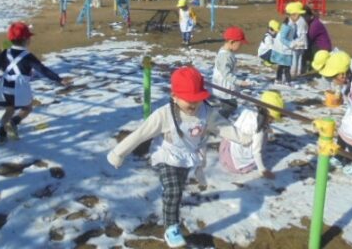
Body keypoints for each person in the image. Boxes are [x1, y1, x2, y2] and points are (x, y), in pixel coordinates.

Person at [107, 66, 252, 248]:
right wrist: (117, 153)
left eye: (197, 100)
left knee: (177, 189)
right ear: (174, 95)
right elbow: (140, 134)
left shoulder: (206, 112)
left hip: (189, 156)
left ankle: (170, 199)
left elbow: (224, 127)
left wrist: (244, 139)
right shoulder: (163, 115)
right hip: (167, 155)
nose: (193, 105)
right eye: (188, 100)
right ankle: (171, 228)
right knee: (173, 190)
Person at [0, 22, 71, 143]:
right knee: (27, 107)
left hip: (5, 86)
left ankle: (1, 134)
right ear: (26, 40)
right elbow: (42, 70)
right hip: (20, 87)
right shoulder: (28, 56)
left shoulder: (5, 53)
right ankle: (13, 122)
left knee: (9, 109)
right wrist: (59, 79)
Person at [219, 91, 284, 179]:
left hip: (226, 150)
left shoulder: (249, 110)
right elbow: (257, 152)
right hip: (235, 164)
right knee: (263, 139)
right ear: (268, 115)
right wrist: (263, 170)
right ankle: (245, 162)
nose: (273, 121)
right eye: (272, 119)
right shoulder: (259, 129)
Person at [212, 27, 252, 117]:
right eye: (240, 44)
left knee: (229, 105)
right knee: (231, 105)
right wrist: (240, 82)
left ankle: (220, 118)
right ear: (232, 42)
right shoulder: (224, 56)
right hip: (223, 88)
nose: (241, 46)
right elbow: (226, 74)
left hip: (224, 86)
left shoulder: (227, 52)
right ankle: (218, 120)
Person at [302, 5, 332, 71]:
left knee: (302, 50)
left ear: (309, 16)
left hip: (322, 48)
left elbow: (308, 39)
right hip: (317, 46)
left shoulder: (315, 25)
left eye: (303, 17)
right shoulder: (312, 22)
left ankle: (305, 67)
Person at [271, 17, 295, 86]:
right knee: (287, 66)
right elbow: (283, 38)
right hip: (284, 49)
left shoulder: (289, 25)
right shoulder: (288, 26)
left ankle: (278, 79)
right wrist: (292, 44)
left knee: (282, 65)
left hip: (282, 49)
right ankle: (288, 81)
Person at [286, 2, 307, 77]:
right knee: (300, 57)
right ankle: (299, 71)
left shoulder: (296, 21)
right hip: (303, 42)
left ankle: (292, 72)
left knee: (294, 57)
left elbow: (293, 32)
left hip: (297, 42)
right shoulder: (303, 20)